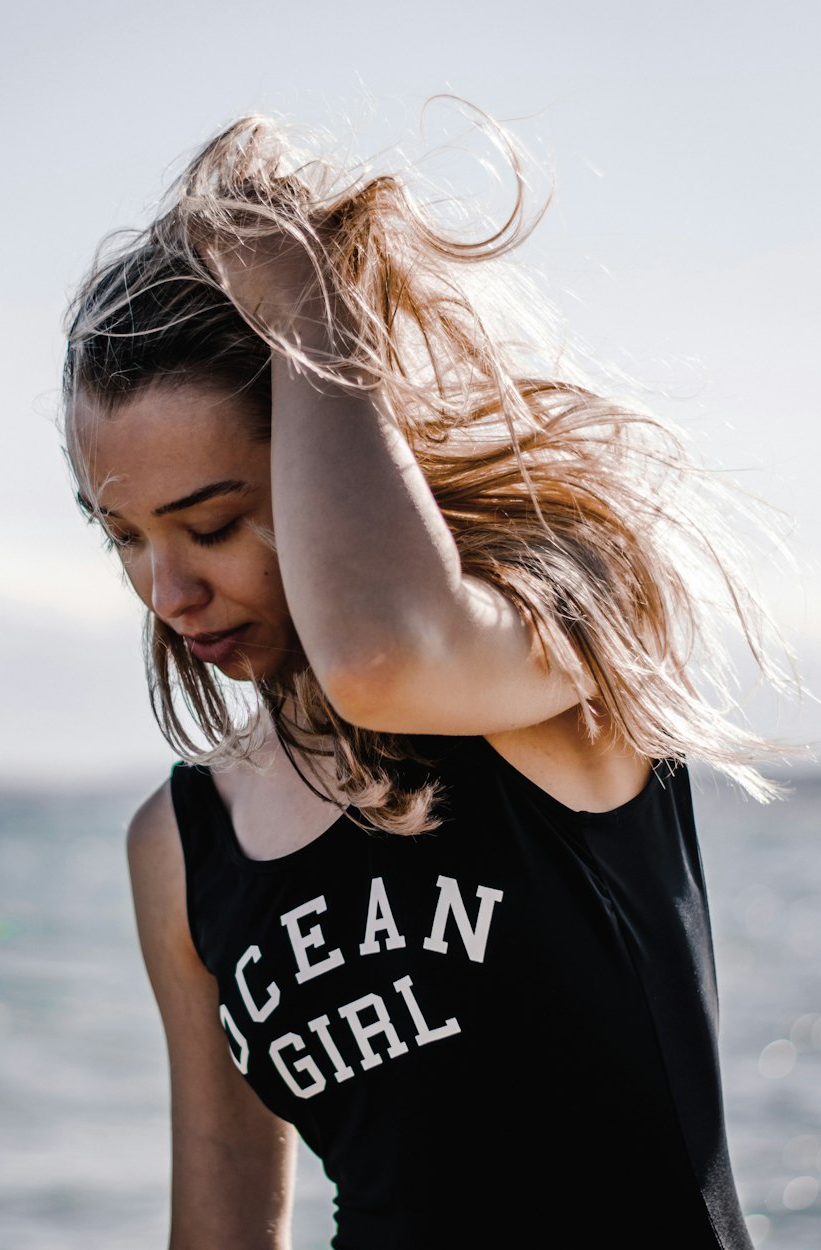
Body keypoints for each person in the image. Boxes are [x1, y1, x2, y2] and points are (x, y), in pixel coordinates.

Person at [62, 108, 796, 1249]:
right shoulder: (179, 846)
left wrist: (311, 305)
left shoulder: (553, 646)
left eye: (211, 522)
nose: (168, 589)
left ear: (327, 444)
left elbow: (380, 656)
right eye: (123, 535)